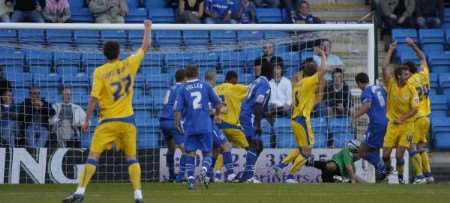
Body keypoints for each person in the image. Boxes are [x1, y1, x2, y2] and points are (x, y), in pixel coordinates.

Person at [62, 20, 152, 203]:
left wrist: (86, 120)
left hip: (108, 122)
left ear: (104, 54)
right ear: (119, 53)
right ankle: (138, 195)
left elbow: (94, 98)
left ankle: (80, 191)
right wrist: (147, 28)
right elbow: (145, 47)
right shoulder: (129, 64)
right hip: (128, 121)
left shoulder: (100, 72)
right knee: (132, 158)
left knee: (93, 156)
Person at [273, 47, 327, 183]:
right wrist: (323, 55)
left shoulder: (297, 84)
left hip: (294, 119)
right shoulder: (309, 81)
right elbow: (323, 71)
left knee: (301, 148)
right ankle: (290, 176)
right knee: (308, 151)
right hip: (303, 119)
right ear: (312, 74)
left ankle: (281, 165)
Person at [174, 64, 223, 190]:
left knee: (190, 153)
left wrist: (177, 123)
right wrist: (217, 115)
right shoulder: (205, 85)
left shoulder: (183, 89)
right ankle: (204, 171)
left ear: (186, 75)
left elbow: (177, 109)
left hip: (190, 126)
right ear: (197, 73)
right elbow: (218, 103)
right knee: (208, 153)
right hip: (205, 125)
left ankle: (191, 182)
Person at [381, 41, 419, 184]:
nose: (408, 76)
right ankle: (389, 168)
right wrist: (390, 50)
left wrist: (402, 118)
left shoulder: (411, 89)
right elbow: (384, 67)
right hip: (393, 124)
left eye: (409, 74)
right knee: (385, 155)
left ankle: (401, 178)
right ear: (398, 76)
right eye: (405, 74)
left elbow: (415, 109)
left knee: (399, 153)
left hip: (407, 124)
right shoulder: (391, 84)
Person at [403, 37, 434, 184]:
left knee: (412, 146)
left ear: (408, 71)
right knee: (422, 146)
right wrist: (413, 45)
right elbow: (422, 57)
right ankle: (428, 174)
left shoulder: (408, 82)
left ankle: (420, 176)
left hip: (416, 118)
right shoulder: (423, 74)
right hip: (427, 117)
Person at [239, 60, 273, 183]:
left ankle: (246, 174)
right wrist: (258, 124)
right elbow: (258, 104)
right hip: (249, 117)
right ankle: (248, 176)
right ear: (270, 72)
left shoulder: (256, 81)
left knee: (259, 146)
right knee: (254, 144)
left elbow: (256, 103)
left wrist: (266, 114)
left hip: (246, 114)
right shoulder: (264, 84)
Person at [352, 72, 388, 182]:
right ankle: (382, 173)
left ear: (358, 83)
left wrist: (355, 116)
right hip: (386, 121)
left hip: (376, 124)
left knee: (360, 151)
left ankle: (381, 166)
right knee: (369, 149)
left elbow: (367, 106)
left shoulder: (366, 92)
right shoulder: (379, 88)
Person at [204, 69, 237, 182]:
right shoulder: (208, 90)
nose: (215, 82)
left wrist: (218, 111)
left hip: (208, 124)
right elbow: (207, 110)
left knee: (216, 151)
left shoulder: (204, 89)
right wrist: (219, 111)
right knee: (226, 146)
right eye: (215, 80)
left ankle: (208, 175)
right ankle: (231, 174)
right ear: (213, 79)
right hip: (208, 125)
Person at [159, 69, 187, 182]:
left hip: (163, 121)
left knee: (171, 149)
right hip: (173, 121)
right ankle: (180, 177)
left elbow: (166, 103)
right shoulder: (183, 89)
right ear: (184, 78)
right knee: (187, 150)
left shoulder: (171, 88)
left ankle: (171, 176)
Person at [215, 71, 249, 149]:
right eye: (236, 81)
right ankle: (251, 159)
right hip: (231, 127)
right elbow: (251, 89)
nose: (236, 83)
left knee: (223, 149)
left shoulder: (215, 89)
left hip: (218, 127)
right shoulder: (233, 88)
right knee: (249, 146)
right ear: (233, 79)